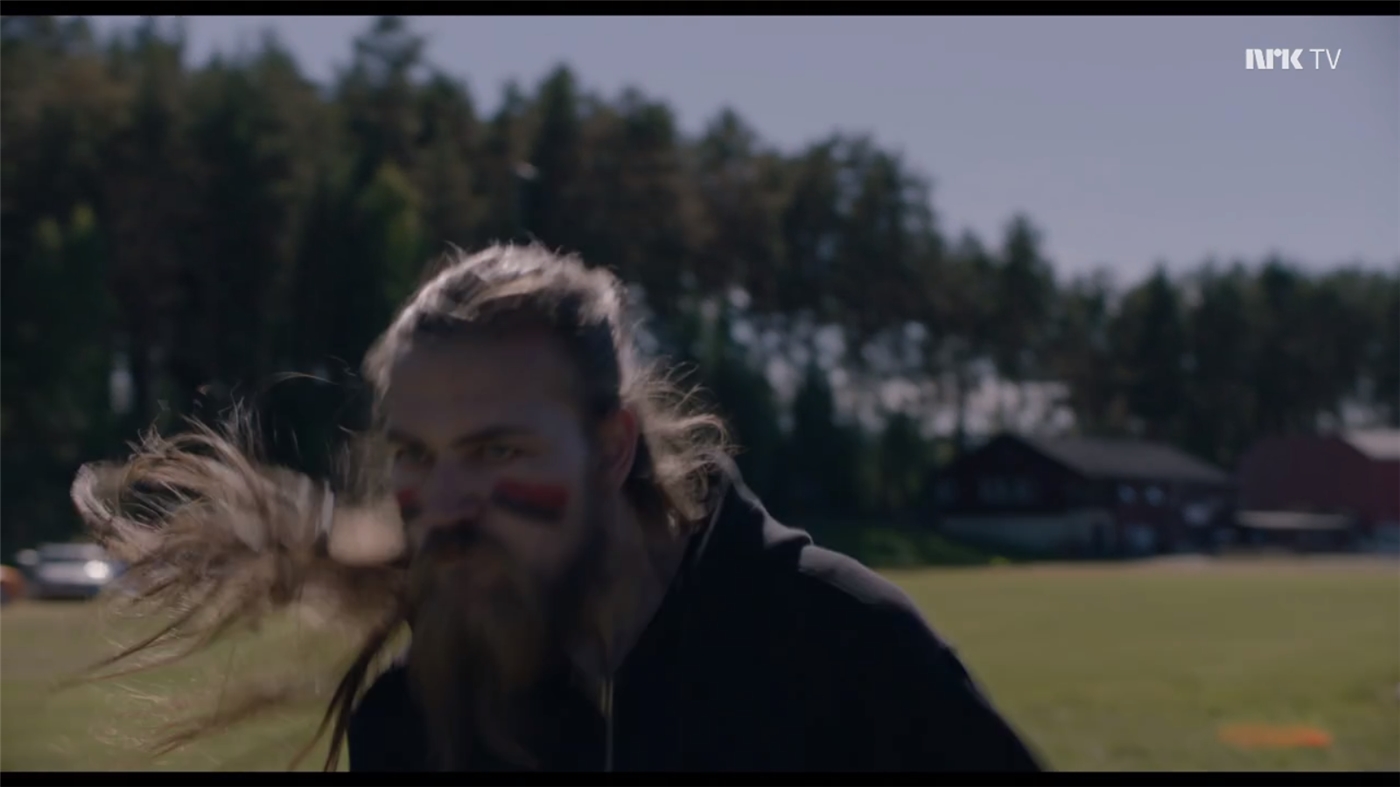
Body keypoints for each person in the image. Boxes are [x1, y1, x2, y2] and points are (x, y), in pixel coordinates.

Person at [71, 244, 1042, 773]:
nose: (446, 504)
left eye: (497, 451)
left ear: (612, 447)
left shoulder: (841, 649)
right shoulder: (416, 722)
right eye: (416, 456)